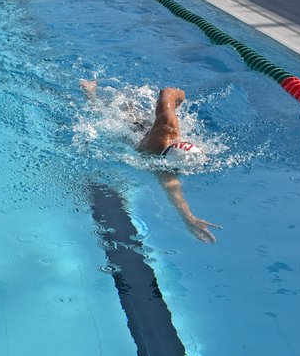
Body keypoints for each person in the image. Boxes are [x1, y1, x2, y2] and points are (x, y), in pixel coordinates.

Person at [81, 80, 221, 243]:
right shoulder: (167, 129)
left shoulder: (167, 133)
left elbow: (175, 192)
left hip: (141, 136)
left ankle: (97, 95)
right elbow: (167, 91)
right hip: (129, 137)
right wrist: (189, 220)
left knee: (128, 116)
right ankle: (90, 93)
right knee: (104, 121)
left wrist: (190, 219)